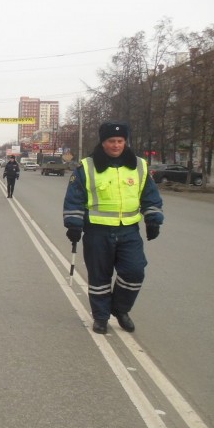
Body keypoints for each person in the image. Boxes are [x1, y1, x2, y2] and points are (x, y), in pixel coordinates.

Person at [63, 122, 164, 335]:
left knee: (134, 272)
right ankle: (100, 317)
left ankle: (120, 310)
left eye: (120, 141)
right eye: (111, 141)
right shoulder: (87, 166)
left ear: (125, 142)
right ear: (103, 142)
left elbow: (150, 196)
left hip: (128, 231)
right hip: (97, 232)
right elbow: (74, 199)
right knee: (99, 278)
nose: (116, 145)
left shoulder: (139, 166)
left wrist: (153, 219)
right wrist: (73, 225)